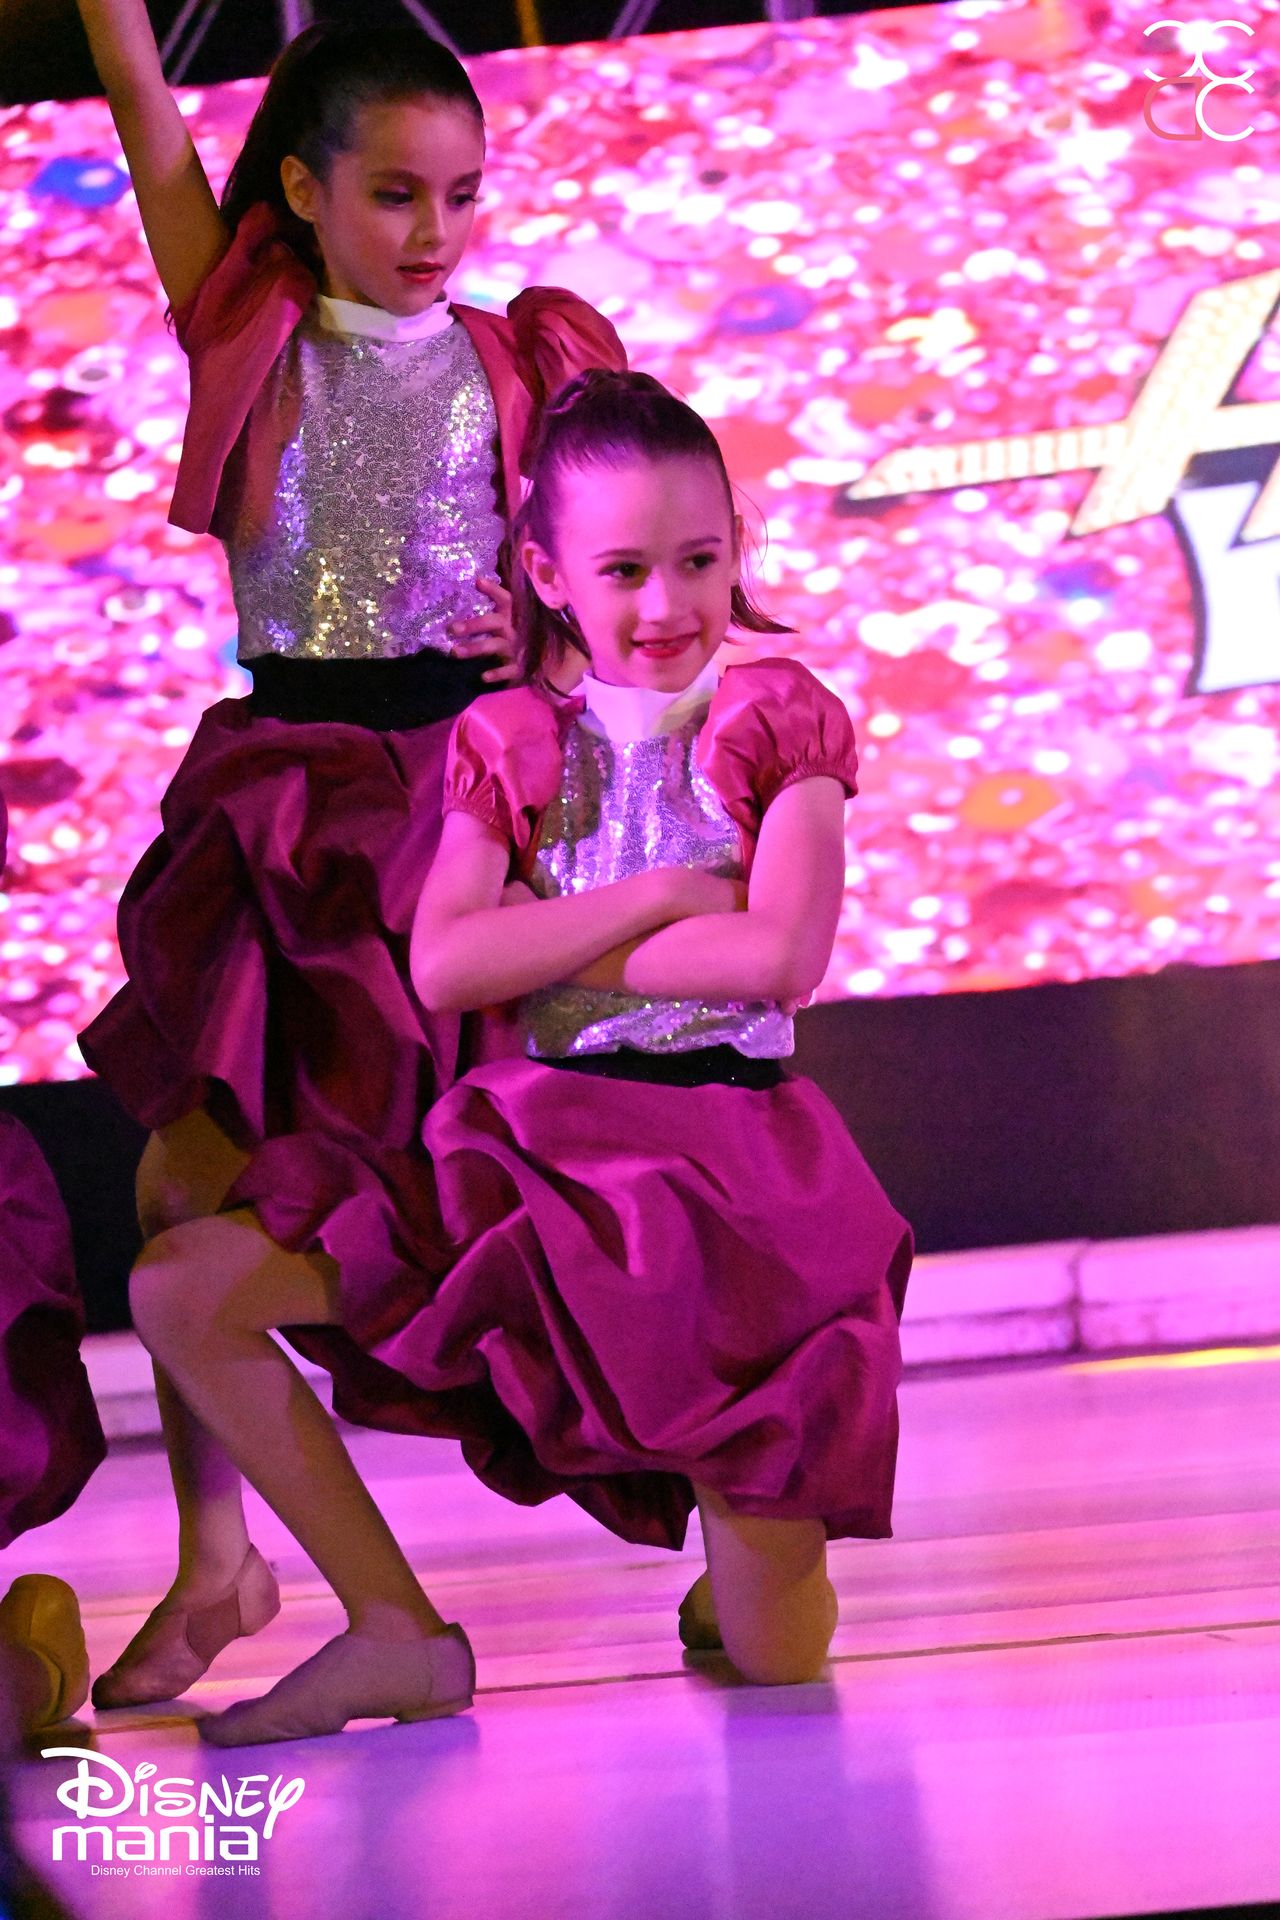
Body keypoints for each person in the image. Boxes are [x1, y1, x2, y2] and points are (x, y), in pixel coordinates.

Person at [126, 371, 911, 1743]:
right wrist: (660, 896)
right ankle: (396, 1629)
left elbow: (778, 956)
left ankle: (746, 1554)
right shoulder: (516, 739)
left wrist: (538, 939)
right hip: (530, 1161)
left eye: (698, 561)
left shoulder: (779, 718)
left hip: (728, 1193)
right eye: (624, 571)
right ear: (547, 575)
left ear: (738, 546)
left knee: (777, 1659)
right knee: (186, 1286)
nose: (665, 605)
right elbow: (446, 964)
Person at [69, 2, 626, 1710]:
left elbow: (608, 589)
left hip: (437, 810)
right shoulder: (249, 324)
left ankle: (736, 1499)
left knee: (457, 1204)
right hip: (284, 797)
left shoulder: (519, 360)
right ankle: (218, 1559)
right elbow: (148, 116)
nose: (436, 232)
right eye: (394, 194)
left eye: (461, 194)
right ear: (303, 194)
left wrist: (551, 685)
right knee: (177, 1182)